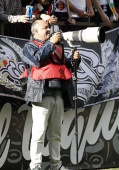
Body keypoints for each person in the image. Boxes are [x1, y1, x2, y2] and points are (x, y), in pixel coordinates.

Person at [22, 20, 81, 170]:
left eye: (49, 27)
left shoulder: (56, 46)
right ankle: (35, 166)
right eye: (45, 27)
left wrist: (74, 60)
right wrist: (51, 44)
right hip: (41, 96)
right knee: (39, 134)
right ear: (36, 31)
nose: (49, 30)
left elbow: (63, 66)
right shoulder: (29, 46)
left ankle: (56, 165)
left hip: (58, 96)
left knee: (56, 134)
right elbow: (36, 61)